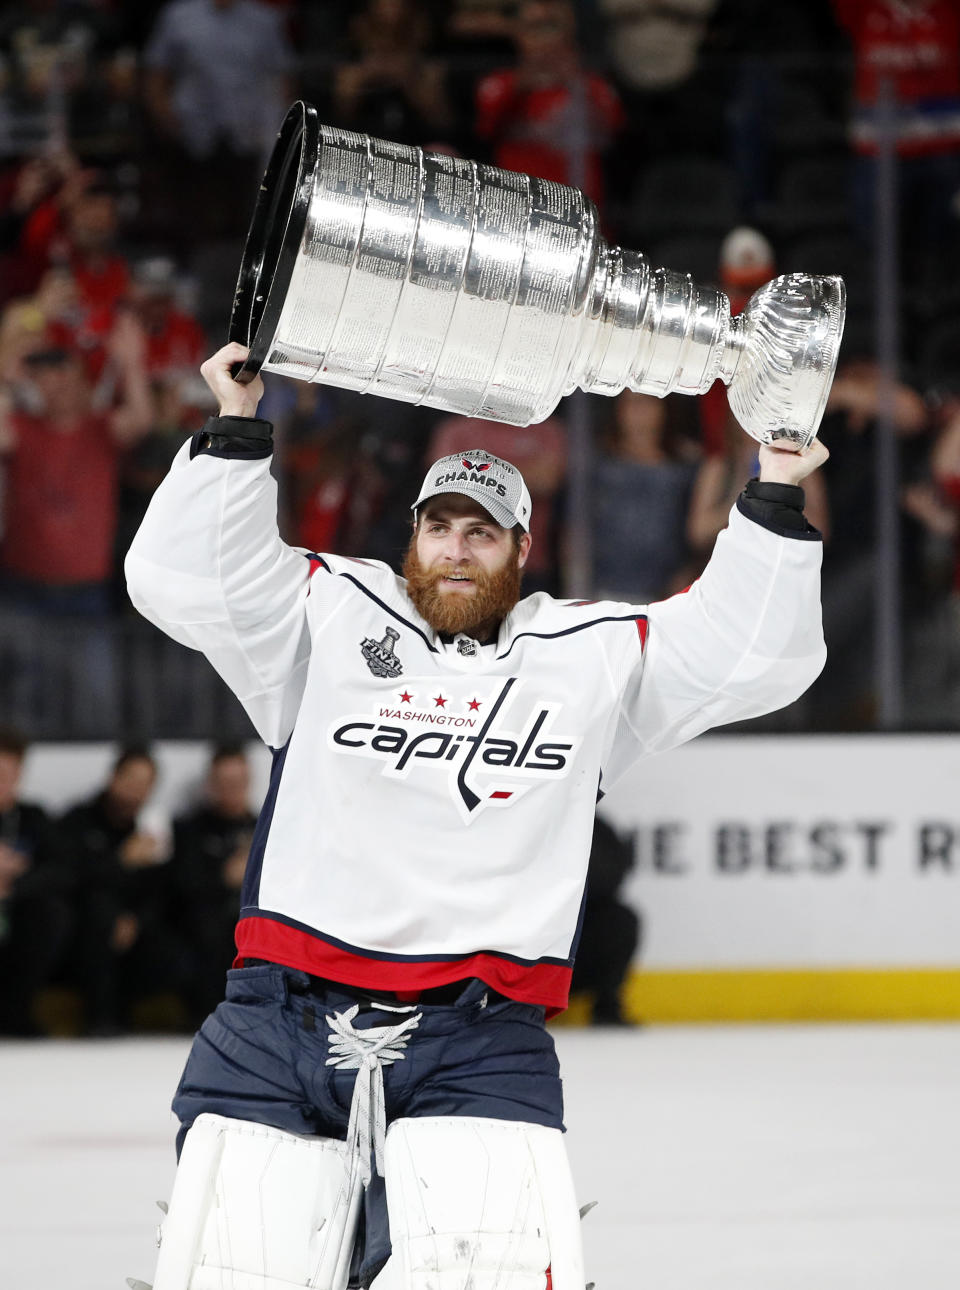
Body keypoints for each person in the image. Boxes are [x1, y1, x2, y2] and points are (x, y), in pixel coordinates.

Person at [124, 340, 828, 1290]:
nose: (456, 550)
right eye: (439, 527)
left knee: (478, 1274)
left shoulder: (584, 656)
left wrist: (773, 492)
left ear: (521, 551)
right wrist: (238, 430)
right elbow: (187, 578)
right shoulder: (325, 617)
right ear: (410, 536)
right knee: (237, 1270)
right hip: (278, 1017)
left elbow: (748, 654)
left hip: (478, 1033)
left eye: (482, 532)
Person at [169, 744, 258, 1025]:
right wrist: (224, 877)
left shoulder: (266, 826)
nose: (232, 789)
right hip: (206, 924)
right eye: (225, 782)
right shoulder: (190, 830)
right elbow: (182, 887)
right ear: (212, 784)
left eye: (238, 782)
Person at [0, 726, 73, 1036]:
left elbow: (61, 870)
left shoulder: (33, 818)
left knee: (49, 912)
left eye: (6, 774)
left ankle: (17, 1014)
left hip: (17, 909)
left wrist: (13, 882)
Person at [569, 815, 640, 1026]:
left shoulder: (592, 825)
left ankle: (607, 1005)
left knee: (621, 920)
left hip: (579, 932)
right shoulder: (527, 821)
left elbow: (610, 880)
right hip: (531, 931)